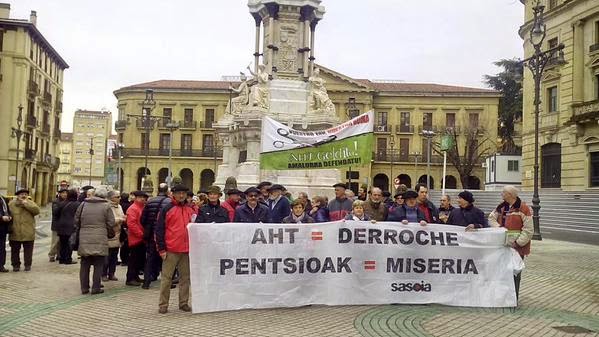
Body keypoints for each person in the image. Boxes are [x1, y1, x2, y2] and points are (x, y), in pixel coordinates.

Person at [155, 184, 196, 314]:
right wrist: (161, 249)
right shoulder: (167, 209)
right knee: (167, 279)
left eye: (183, 193)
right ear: (173, 194)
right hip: (171, 249)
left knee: (185, 278)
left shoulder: (190, 210)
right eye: (179, 193)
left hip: (186, 249)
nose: (181, 195)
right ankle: (163, 304)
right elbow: (159, 230)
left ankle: (183, 303)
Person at [488, 185, 533, 301]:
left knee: (515, 272)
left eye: (503, 192)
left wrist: (518, 243)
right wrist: (500, 228)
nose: (501, 194)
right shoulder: (501, 207)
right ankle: (503, 297)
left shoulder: (523, 209)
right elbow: (491, 218)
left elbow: (528, 230)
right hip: (503, 246)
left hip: (517, 248)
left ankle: (513, 298)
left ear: (510, 195)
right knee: (502, 271)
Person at [75, 187, 115, 295]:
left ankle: (84, 288)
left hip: (84, 237)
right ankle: (96, 287)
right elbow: (111, 223)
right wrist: (108, 232)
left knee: (84, 263)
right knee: (98, 264)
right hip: (100, 238)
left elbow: (76, 220)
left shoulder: (83, 204)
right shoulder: (106, 206)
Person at [140, 184, 171, 289]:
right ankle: (166, 283)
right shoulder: (169, 202)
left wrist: (149, 227)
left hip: (151, 233)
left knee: (150, 258)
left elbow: (142, 219)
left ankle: (146, 282)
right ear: (167, 191)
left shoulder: (150, 201)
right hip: (164, 234)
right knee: (165, 258)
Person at [8, 189, 40, 272]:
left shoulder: (30, 203)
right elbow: (7, 214)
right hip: (15, 231)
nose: (24, 196)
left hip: (28, 232)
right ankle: (15, 265)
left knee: (28, 251)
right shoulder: (11, 204)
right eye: (22, 194)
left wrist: (27, 205)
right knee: (15, 250)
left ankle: (27, 265)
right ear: (17, 196)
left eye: (25, 194)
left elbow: (37, 211)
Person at [125, 191, 148, 286]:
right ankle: (130, 278)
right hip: (136, 238)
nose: (142, 199)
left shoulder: (142, 207)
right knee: (133, 259)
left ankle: (135, 276)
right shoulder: (133, 208)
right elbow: (131, 224)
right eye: (140, 197)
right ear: (135, 198)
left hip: (142, 238)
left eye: (144, 197)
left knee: (139, 259)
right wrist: (141, 234)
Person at [103, 190, 125, 282]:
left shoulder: (119, 206)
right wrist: (120, 219)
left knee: (114, 256)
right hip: (109, 234)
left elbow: (123, 216)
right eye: (117, 197)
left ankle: (112, 273)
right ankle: (103, 274)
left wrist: (121, 219)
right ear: (111, 198)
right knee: (106, 258)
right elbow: (108, 220)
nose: (119, 198)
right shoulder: (106, 206)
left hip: (118, 234)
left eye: (119, 196)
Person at [54, 189, 79, 264]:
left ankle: (62, 258)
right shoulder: (78, 204)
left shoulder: (62, 203)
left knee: (63, 243)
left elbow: (56, 213)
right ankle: (68, 259)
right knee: (70, 243)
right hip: (71, 226)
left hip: (61, 225)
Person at [49, 188, 68, 262]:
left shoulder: (67, 201)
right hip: (57, 225)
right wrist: (63, 204)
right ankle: (51, 255)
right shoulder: (56, 202)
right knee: (55, 241)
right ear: (59, 194)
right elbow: (55, 212)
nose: (65, 194)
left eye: (66, 193)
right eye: (63, 193)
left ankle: (59, 255)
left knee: (62, 242)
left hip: (64, 225)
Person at [118, 192, 133, 266]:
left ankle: (121, 259)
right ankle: (125, 259)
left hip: (120, 225)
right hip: (126, 226)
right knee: (125, 243)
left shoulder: (119, 205)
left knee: (121, 243)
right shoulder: (130, 205)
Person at [0, 193, 12, 272]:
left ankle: (1, 265)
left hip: (2, 228)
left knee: (1, 247)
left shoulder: (3, 198)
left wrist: (9, 216)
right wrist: (1, 218)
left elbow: (6, 210)